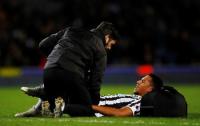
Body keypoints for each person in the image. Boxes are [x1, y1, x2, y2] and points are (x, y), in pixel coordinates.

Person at [19, 21, 120, 117]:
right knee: (85, 108)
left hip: (49, 71)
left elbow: (43, 45)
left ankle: (44, 95)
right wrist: (92, 102)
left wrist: (55, 57)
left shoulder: (71, 30)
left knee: (65, 89)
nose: (109, 48)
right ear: (107, 37)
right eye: (111, 44)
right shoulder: (101, 50)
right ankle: (58, 105)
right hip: (71, 75)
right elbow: (96, 81)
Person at [15, 74, 163, 117]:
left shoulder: (142, 103)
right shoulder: (138, 99)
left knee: (71, 82)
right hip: (91, 103)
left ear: (150, 89)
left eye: (142, 81)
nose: (138, 81)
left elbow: (120, 113)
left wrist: (90, 106)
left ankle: (43, 100)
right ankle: (43, 103)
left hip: (90, 108)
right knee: (69, 80)